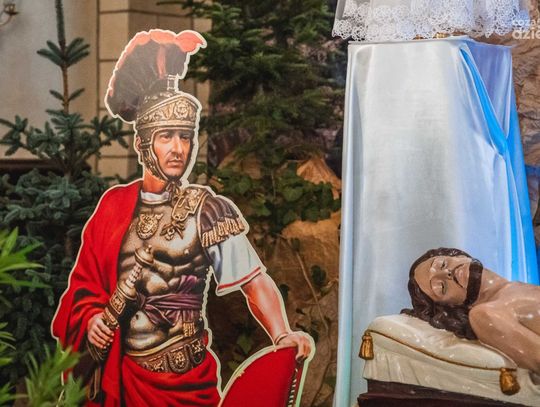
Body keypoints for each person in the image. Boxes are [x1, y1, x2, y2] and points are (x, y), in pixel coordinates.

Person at [52, 29, 312, 407]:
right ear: (142, 144)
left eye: (185, 137)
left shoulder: (207, 209)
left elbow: (254, 281)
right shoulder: (112, 207)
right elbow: (84, 287)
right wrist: (91, 319)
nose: (178, 148)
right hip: (121, 378)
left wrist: (282, 333)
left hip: (184, 381)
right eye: (167, 136)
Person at [403, 247, 540, 383]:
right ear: (451, 306)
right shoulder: (486, 315)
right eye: (442, 287)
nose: (447, 273)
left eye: (442, 264)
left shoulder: (514, 287)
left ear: (459, 256)